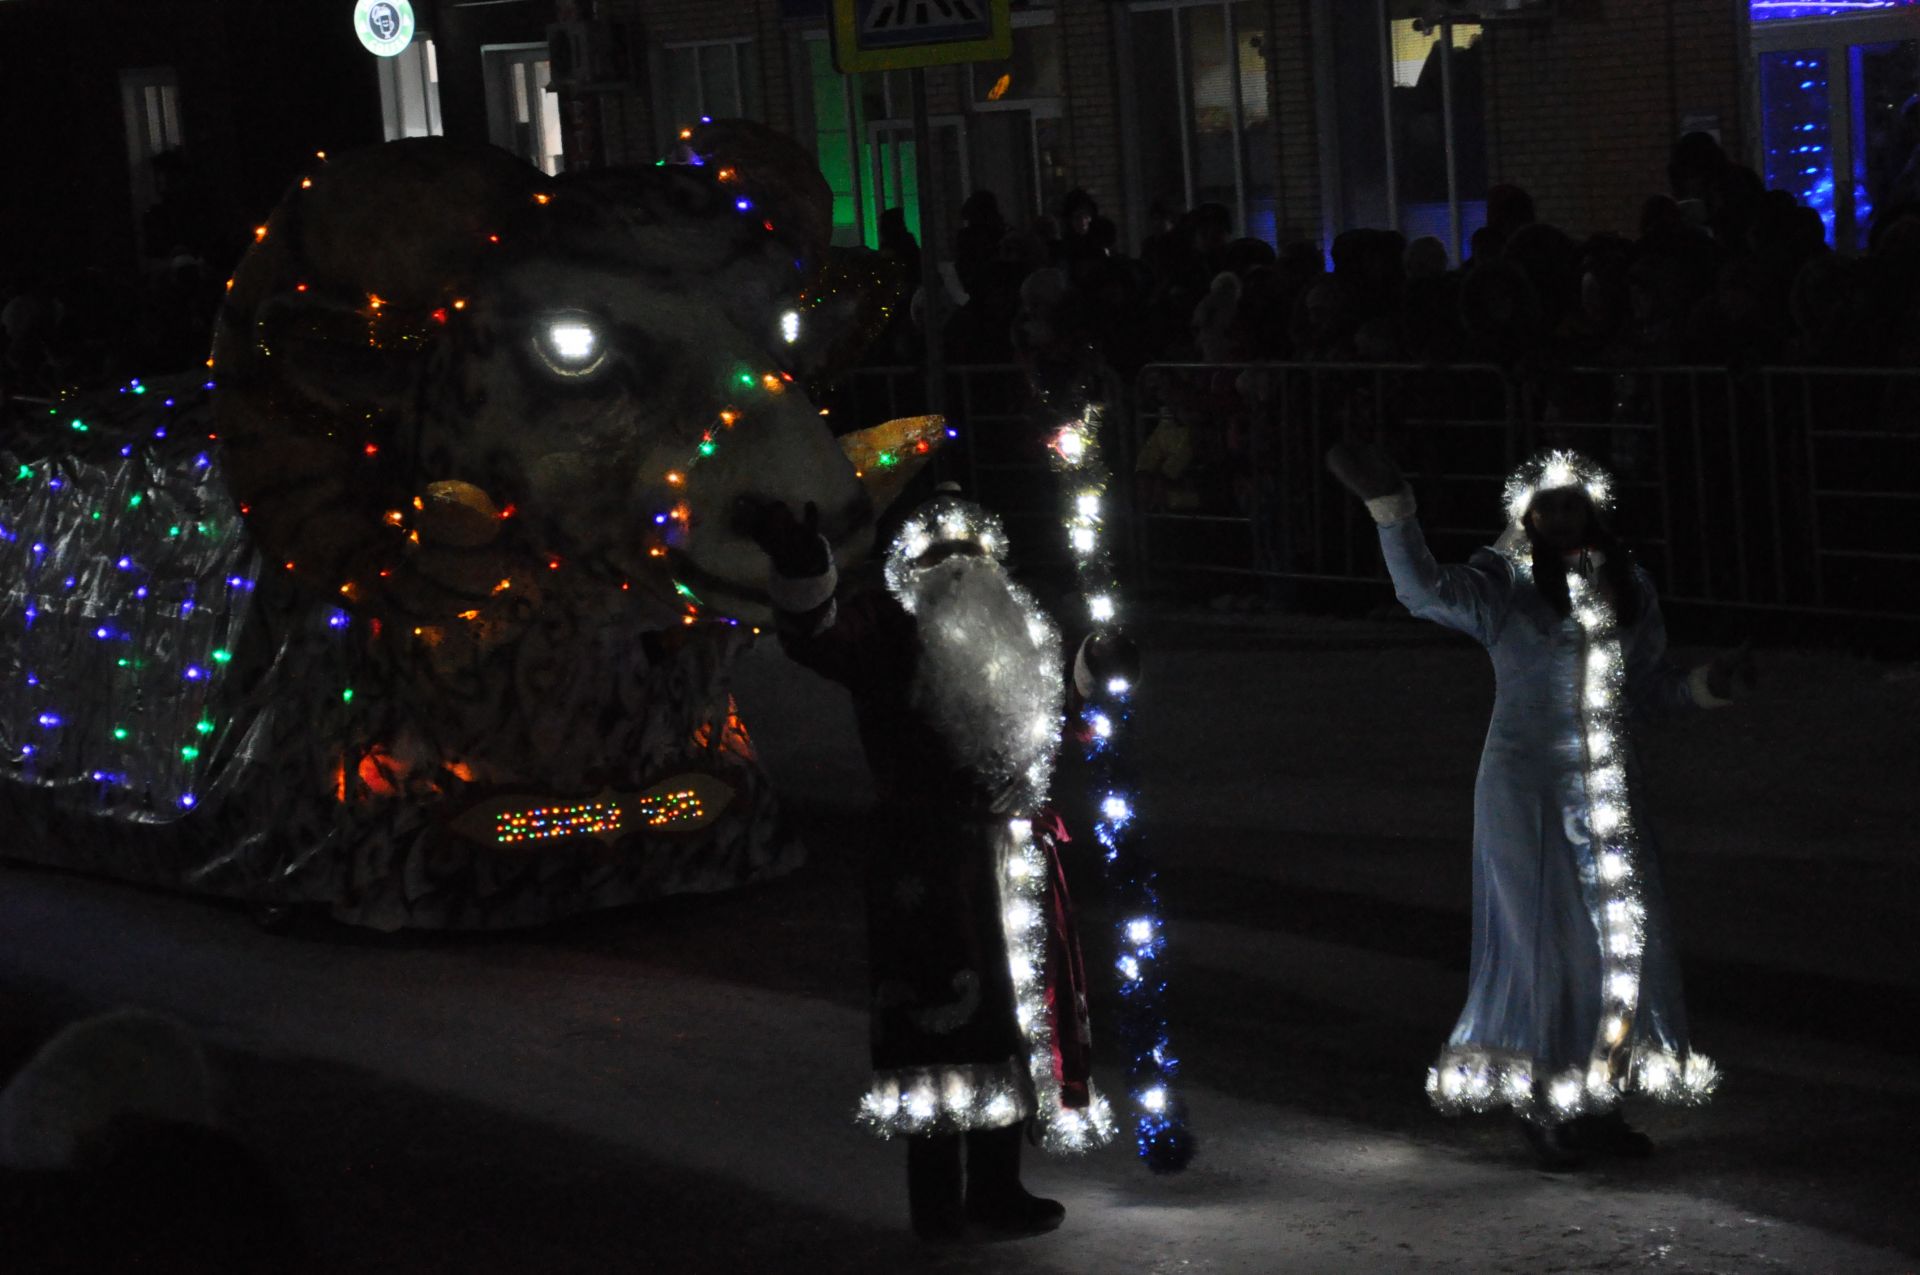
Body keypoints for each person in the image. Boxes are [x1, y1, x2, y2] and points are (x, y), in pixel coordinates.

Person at [1326, 443, 1753, 1168]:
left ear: (1594, 508)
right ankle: (1545, 1102)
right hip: (1524, 793)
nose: (1560, 515)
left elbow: (1645, 692)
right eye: (1546, 503)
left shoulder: (1629, 588)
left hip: (1610, 794)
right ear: (1526, 511)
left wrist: (1710, 685)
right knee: (1545, 952)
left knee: (1618, 948)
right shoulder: (1504, 581)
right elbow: (1424, 591)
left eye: (1572, 501)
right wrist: (1392, 508)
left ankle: (1598, 1101)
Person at [745, 489, 1111, 1239]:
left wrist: (1088, 672)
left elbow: (1051, 723)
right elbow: (812, 634)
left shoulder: (1015, 630)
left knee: (1012, 1026)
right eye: (941, 554)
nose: (960, 567)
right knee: (939, 1022)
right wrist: (799, 561)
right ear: (910, 565)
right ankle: (939, 1204)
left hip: (1014, 858)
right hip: (928, 864)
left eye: (972, 552)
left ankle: (998, 1188)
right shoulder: (885, 628)